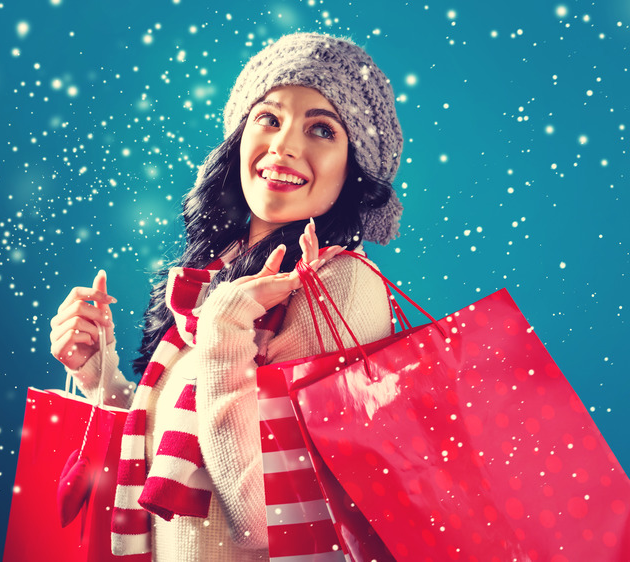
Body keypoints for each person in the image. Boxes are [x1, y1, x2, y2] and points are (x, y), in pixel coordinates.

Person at [49, 32, 403, 561]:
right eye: (269, 118)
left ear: (353, 167)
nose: (284, 145)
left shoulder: (339, 286)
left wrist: (223, 326)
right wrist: (101, 376)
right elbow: (186, 447)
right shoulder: (223, 271)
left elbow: (266, 514)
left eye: (322, 129)